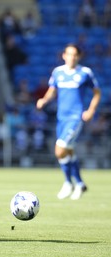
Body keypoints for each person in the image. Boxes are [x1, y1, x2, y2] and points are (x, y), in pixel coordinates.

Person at [36, 44, 101, 200]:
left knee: (59, 151)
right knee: (69, 152)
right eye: (69, 54)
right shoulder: (58, 72)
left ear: (78, 57)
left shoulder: (85, 73)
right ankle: (79, 183)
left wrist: (91, 110)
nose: (71, 57)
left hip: (75, 117)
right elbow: (52, 91)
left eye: (74, 55)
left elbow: (97, 93)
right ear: (64, 55)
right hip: (61, 118)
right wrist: (44, 100)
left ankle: (68, 183)